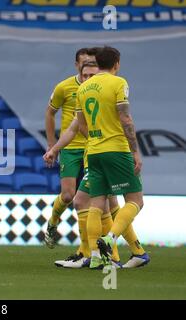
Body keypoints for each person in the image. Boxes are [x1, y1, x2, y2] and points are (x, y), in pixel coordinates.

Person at [44, 63, 149, 269]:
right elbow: (73, 129)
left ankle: (103, 256)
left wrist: (95, 139)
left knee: (91, 202)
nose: (88, 78)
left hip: (98, 154)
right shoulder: (82, 92)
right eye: (85, 75)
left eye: (92, 74)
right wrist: (54, 149)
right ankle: (128, 253)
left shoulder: (96, 94)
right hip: (93, 154)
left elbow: (82, 126)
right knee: (93, 203)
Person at [76, 46, 145, 269]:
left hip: (94, 151)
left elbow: (81, 124)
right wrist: (135, 150)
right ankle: (110, 239)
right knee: (135, 200)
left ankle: (97, 256)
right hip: (116, 149)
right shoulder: (119, 83)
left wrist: (96, 139)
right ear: (116, 63)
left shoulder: (83, 88)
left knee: (97, 203)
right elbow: (125, 118)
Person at [44, 48, 97, 251]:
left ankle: (88, 248)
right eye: (84, 64)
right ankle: (53, 222)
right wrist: (52, 145)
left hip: (93, 148)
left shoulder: (99, 88)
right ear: (77, 65)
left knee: (91, 200)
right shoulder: (64, 87)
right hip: (71, 147)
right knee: (68, 196)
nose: (87, 69)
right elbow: (49, 113)